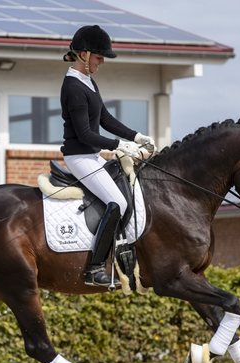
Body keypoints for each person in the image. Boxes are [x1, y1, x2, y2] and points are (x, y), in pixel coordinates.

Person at [60, 25, 156, 287]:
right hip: (80, 157)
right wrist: (119, 146)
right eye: (99, 57)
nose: (101, 62)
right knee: (118, 202)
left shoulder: (88, 81)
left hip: (92, 156)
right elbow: (85, 135)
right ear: (84, 54)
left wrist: (136, 137)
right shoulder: (73, 87)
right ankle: (93, 269)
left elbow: (104, 118)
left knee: (130, 190)